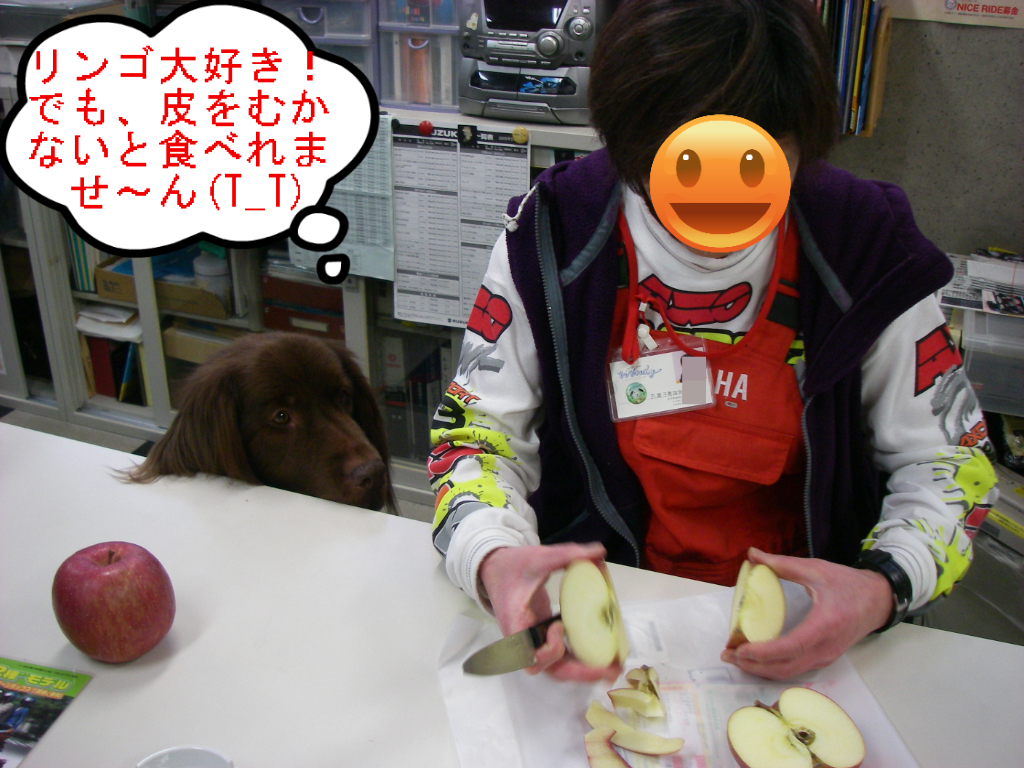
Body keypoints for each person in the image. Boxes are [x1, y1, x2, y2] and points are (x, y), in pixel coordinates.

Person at [428, 0, 997, 682]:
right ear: (628, 140)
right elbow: (476, 437)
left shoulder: (866, 247)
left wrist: (882, 586)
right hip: (611, 618)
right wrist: (494, 556)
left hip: (809, 633)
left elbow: (950, 463)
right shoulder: (550, 236)